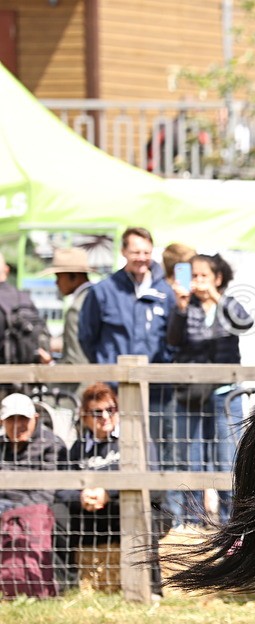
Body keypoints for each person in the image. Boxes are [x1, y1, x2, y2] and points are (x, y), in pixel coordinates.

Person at [76, 227, 176, 489]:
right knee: (116, 451)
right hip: (114, 392)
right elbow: (87, 336)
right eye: (135, 252)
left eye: (146, 251)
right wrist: (106, 366)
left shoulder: (166, 292)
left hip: (156, 390)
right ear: (123, 253)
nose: (141, 257)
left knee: (156, 453)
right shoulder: (104, 291)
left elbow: (174, 338)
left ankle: (159, 517)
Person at [166, 254, 254, 525]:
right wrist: (180, 308)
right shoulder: (185, 305)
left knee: (227, 459)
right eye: (194, 276)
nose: (198, 282)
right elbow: (172, 339)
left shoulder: (228, 303)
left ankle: (230, 524)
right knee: (191, 459)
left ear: (217, 279)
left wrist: (217, 298)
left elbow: (245, 323)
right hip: (191, 393)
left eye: (204, 276)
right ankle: (192, 524)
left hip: (225, 393)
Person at [54, 383, 123, 590]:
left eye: (110, 410)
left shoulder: (133, 441)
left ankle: (150, 588)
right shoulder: (77, 448)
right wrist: (81, 497)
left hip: (122, 513)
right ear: (85, 418)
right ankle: (66, 587)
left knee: (146, 511)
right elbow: (61, 488)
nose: (105, 417)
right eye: (97, 412)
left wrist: (109, 493)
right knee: (56, 513)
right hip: (88, 516)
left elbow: (155, 489)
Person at [0, 392, 66, 597]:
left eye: (23, 419)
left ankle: (50, 584)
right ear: (2, 421)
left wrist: (11, 512)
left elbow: (48, 491)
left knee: (58, 517)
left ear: (35, 419)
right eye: (11, 419)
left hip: (34, 508)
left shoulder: (52, 444)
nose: (18, 424)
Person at [42, 248, 94, 366]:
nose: (56, 283)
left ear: (73, 276)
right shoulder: (98, 297)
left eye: (59, 277)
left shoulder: (76, 309)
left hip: (86, 381)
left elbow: (75, 362)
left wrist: (51, 365)